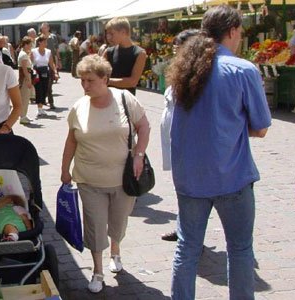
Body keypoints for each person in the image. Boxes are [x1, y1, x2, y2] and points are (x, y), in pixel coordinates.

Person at [167, 6, 271, 300]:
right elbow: (261, 127)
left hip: (189, 178)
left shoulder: (184, 69)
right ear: (231, 31)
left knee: (187, 248)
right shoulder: (242, 69)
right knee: (239, 250)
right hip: (232, 177)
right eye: (239, 33)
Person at [60, 54, 150, 293]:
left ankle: (116, 250)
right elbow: (71, 141)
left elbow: (144, 126)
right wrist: (64, 169)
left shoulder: (124, 100)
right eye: (82, 81)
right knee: (95, 225)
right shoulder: (78, 107)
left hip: (123, 179)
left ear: (105, 78)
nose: (85, 86)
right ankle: (97, 270)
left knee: (118, 223)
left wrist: (139, 154)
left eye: (90, 80)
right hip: (89, 179)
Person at [159, 29, 200, 242]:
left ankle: (192, 233)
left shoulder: (196, 76)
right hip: (176, 144)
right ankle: (184, 227)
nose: (175, 51)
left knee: (191, 191)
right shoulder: (180, 71)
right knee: (181, 189)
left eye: (178, 47)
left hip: (188, 145)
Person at [104, 17, 146, 95]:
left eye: (111, 34)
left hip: (127, 100)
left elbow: (132, 82)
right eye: (107, 34)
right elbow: (97, 74)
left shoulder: (140, 53)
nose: (108, 37)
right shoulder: (108, 52)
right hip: (108, 98)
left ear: (123, 32)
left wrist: (107, 81)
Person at [31, 36, 57, 118]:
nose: (46, 44)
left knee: (45, 89)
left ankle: (41, 107)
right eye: (44, 42)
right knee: (39, 89)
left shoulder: (48, 52)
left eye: (46, 42)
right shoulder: (34, 51)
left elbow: (51, 63)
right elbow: (30, 62)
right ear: (39, 42)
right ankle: (39, 108)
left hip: (46, 71)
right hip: (37, 72)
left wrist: (55, 73)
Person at [38, 23, 59, 108]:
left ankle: (50, 101)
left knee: (50, 83)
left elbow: (56, 49)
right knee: (45, 84)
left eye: (45, 28)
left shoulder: (53, 37)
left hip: (51, 61)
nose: (43, 29)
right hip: (42, 63)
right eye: (42, 28)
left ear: (48, 28)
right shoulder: (38, 39)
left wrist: (59, 60)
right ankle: (47, 101)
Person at [18, 37, 34, 125]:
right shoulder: (23, 55)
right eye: (30, 44)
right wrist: (28, 80)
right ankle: (22, 116)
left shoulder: (24, 53)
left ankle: (24, 115)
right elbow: (24, 69)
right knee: (24, 97)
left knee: (26, 97)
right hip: (25, 77)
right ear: (26, 44)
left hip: (25, 76)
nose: (31, 46)